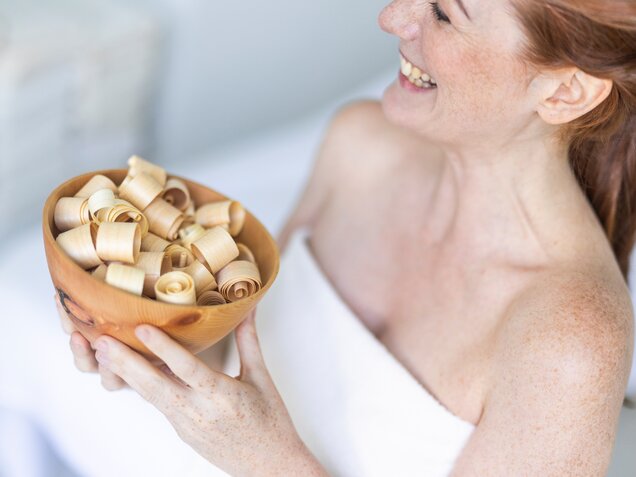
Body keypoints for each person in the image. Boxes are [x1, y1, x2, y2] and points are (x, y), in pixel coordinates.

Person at [58, 0, 636, 475]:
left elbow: (257, 445)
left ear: (564, 93)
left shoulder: (570, 340)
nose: (392, 16)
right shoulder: (361, 145)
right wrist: (161, 358)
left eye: (442, 13)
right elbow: (251, 353)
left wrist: (265, 461)